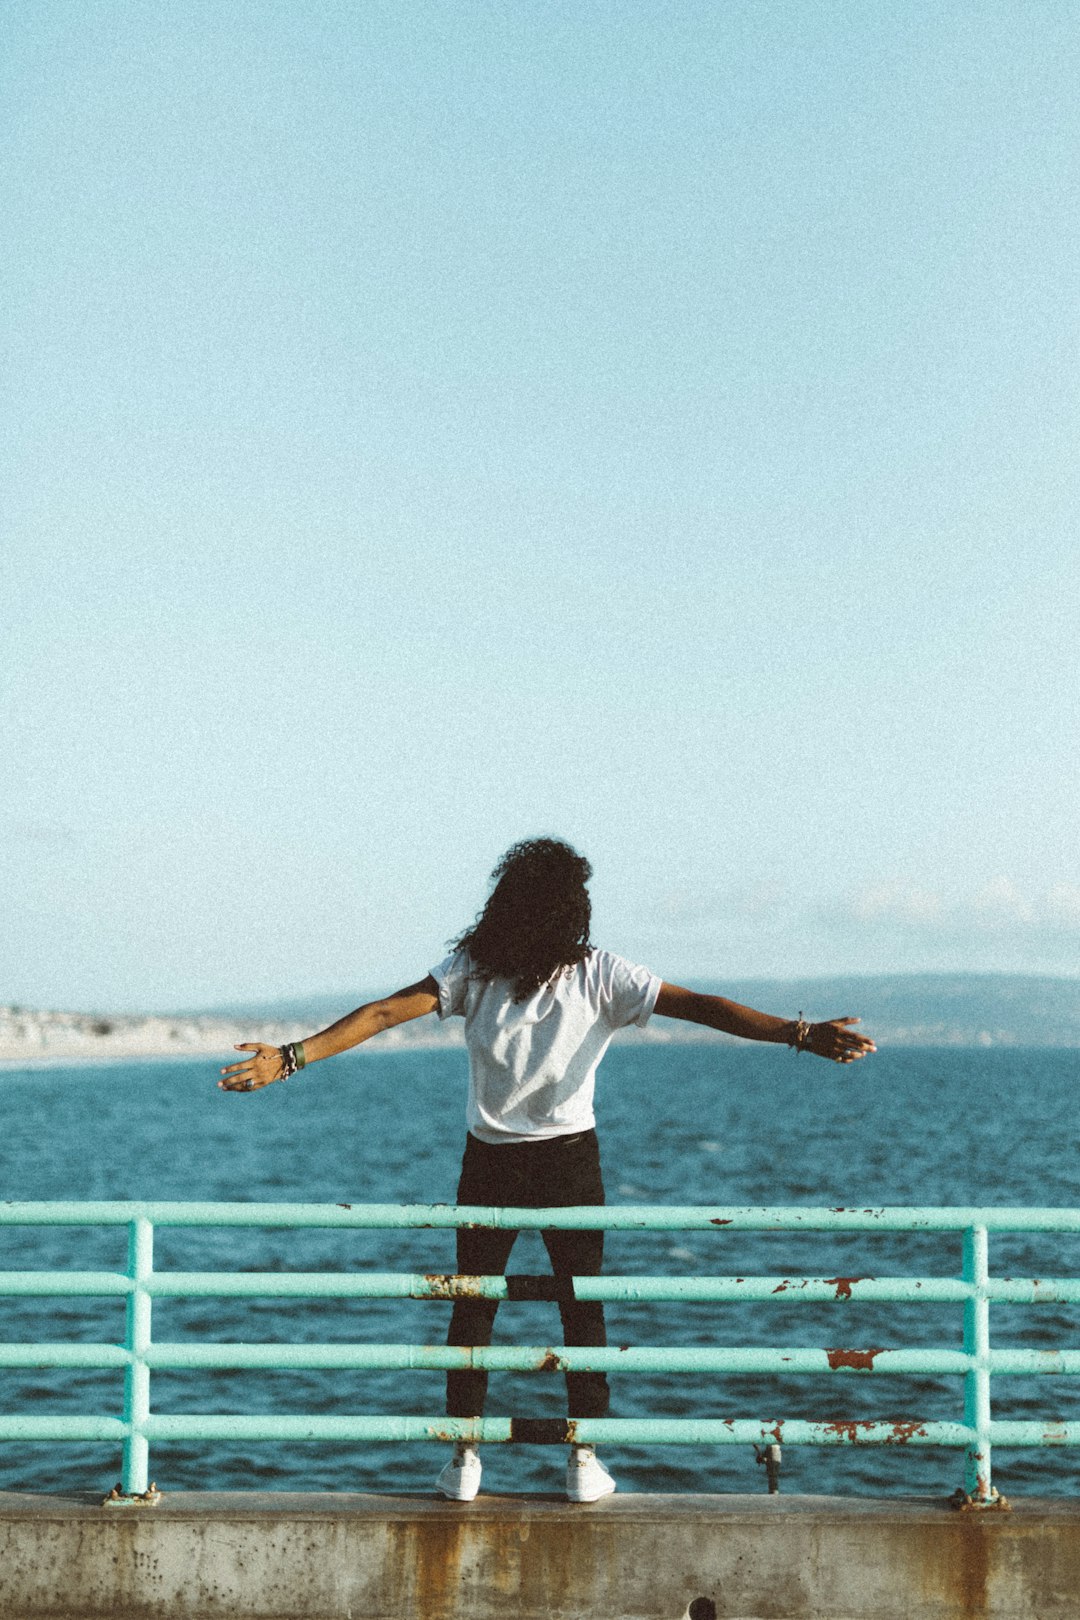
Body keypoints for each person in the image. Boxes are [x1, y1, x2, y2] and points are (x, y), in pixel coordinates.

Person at [219, 836, 875, 1502]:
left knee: (472, 1309)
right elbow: (700, 1005)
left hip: (490, 1161)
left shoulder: (474, 968)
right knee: (581, 1309)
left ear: (505, 901)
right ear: (574, 908)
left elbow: (386, 1012)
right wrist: (798, 1033)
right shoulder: (597, 973)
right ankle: (583, 1460)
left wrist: (292, 1057)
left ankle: (464, 1461)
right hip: (568, 1162)